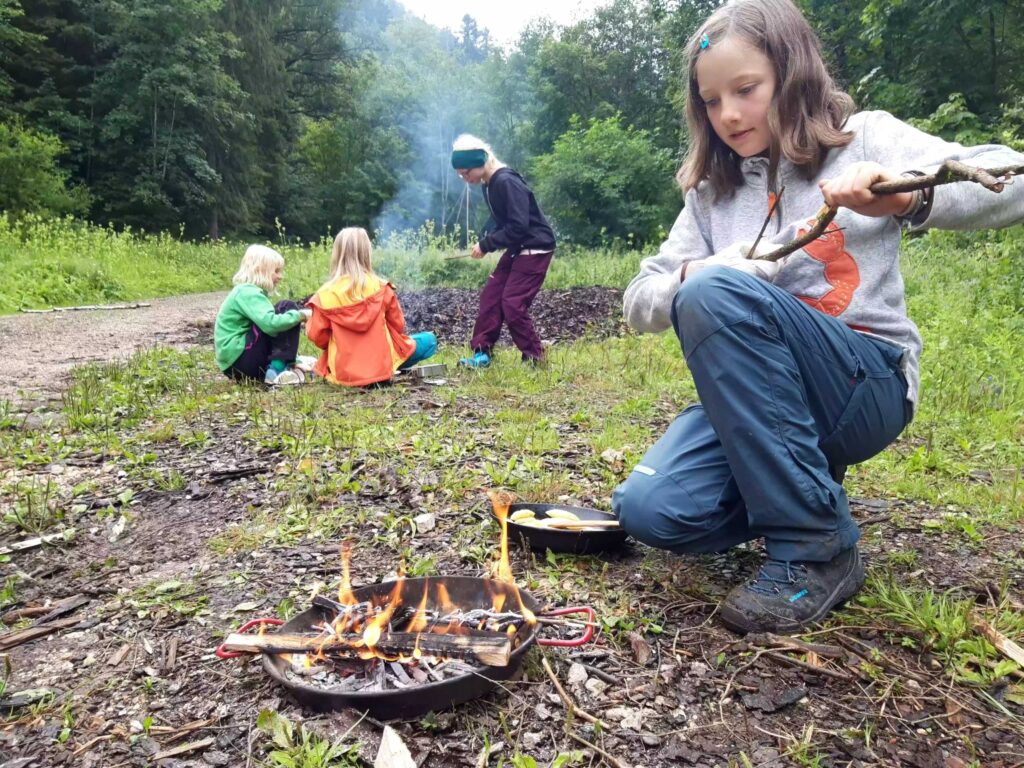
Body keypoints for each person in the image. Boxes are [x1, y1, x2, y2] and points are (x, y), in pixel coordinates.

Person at [613, 0, 1024, 634]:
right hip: (759, 398)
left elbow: (1009, 178)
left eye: (746, 90)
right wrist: (706, 269)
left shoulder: (864, 137)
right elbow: (641, 296)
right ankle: (802, 486)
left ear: (791, 73)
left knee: (716, 296)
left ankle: (816, 546)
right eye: (711, 100)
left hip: (866, 380)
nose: (728, 114)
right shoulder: (710, 192)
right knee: (652, 510)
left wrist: (908, 192)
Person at [451, 134, 557, 367]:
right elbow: (500, 218)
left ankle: (535, 357)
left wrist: (488, 245)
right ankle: (482, 353)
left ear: (480, 162)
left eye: (465, 172)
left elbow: (519, 226)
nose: (464, 178)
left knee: (512, 303)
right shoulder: (489, 184)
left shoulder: (506, 181)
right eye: (460, 174)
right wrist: (484, 237)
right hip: (518, 247)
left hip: (534, 247)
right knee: (491, 295)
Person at [305, 227, 437, 387]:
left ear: (337, 254)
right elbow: (398, 327)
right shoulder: (382, 288)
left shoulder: (323, 295)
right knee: (429, 340)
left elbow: (317, 337)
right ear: (367, 253)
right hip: (381, 369)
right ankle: (392, 365)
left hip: (343, 374)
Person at [214, 244, 311, 386]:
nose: (280, 277)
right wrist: (301, 315)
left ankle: (287, 363)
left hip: (234, 364)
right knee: (286, 307)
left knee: (279, 313)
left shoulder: (246, 292)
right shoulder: (248, 292)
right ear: (262, 271)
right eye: (276, 271)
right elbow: (270, 325)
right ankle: (277, 370)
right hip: (241, 362)